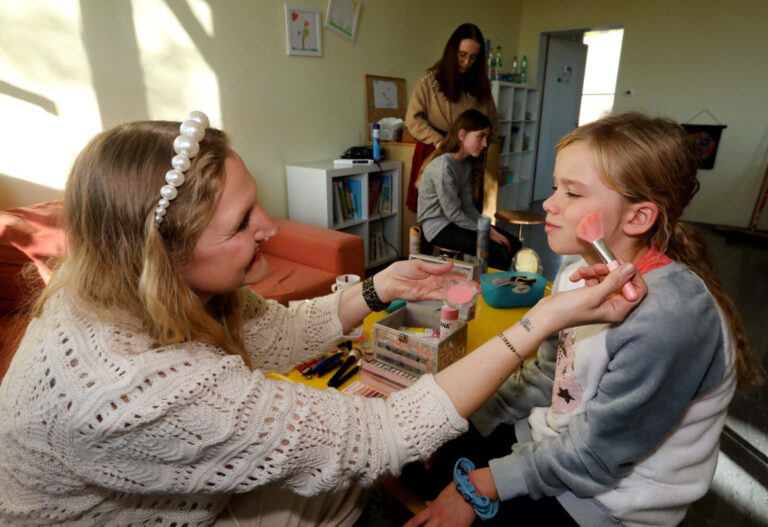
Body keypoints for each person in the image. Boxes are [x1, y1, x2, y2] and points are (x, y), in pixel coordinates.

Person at [0, 112, 646, 526]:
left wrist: (376, 288)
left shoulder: (140, 285)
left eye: (255, 204)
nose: (271, 228)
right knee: (346, 464)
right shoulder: (131, 387)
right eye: (242, 223)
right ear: (160, 257)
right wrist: (542, 321)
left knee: (334, 479)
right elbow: (380, 433)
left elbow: (275, 332)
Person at [405, 112, 763, 527]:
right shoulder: (579, 266)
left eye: (572, 193)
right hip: (560, 441)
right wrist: (468, 423)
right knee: (423, 461)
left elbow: (599, 454)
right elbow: (551, 379)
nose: (549, 204)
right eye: (557, 187)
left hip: (609, 500)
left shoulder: (670, 318)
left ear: (638, 217)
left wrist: (479, 485)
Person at [405, 22, 499, 214]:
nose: (466, 62)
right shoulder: (429, 80)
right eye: (462, 55)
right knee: (432, 214)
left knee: (465, 213)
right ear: (451, 51)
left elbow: (493, 125)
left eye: (473, 58)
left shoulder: (482, 86)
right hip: (435, 151)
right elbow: (413, 119)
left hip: (469, 158)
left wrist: (481, 146)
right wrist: (440, 142)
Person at [417, 109, 520, 269]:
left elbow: (467, 206)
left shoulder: (465, 165)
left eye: (486, 138)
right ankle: (489, 290)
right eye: (480, 137)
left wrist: (487, 227)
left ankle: (509, 287)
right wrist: (489, 232)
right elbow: (453, 213)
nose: (485, 144)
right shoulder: (443, 168)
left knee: (514, 244)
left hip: (454, 221)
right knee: (500, 252)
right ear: (462, 134)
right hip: (438, 228)